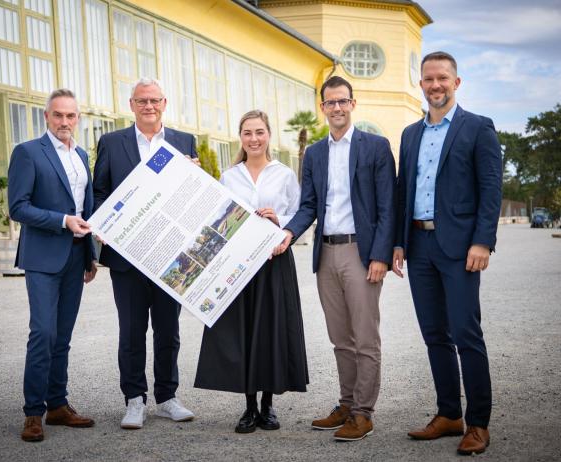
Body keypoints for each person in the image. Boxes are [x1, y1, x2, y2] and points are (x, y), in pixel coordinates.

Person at [392, 51, 502, 456]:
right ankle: (448, 413)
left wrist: (482, 241)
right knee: (434, 334)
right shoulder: (410, 134)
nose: (435, 85)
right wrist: (399, 242)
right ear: (420, 85)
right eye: (427, 79)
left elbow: (491, 189)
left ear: (456, 83)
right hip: (419, 245)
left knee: (466, 333)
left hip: (459, 247)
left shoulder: (478, 128)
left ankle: (477, 424)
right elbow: (404, 191)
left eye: (442, 78)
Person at [276, 76, 396, 441]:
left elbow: (388, 205)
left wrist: (380, 255)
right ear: (323, 107)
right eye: (331, 102)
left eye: (343, 101)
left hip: (362, 253)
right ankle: (346, 404)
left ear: (353, 104)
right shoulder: (314, 153)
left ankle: (363, 413)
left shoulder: (375, 147)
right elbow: (308, 205)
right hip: (325, 253)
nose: (337, 108)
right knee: (340, 337)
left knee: (365, 337)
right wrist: (287, 231)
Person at [194, 110, 308, 433]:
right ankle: (248, 407)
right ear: (240, 137)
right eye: (247, 133)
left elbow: (299, 215)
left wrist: (279, 221)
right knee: (243, 332)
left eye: (259, 132)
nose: (254, 139)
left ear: (269, 135)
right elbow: (217, 219)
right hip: (238, 263)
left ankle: (268, 406)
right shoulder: (230, 177)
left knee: (270, 331)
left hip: (274, 260)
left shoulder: (284, 174)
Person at [93, 78, 196, 429]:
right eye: (141, 101)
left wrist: (196, 177)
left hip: (170, 253)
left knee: (168, 331)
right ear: (131, 104)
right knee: (132, 331)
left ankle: (167, 397)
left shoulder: (184, 142)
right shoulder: (111, 143)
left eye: (154, 100)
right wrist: (102, 225)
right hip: (127, 255)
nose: (148, 106)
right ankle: (134, 399)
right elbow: (99, 193)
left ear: (164, 103)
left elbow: (195, 194)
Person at [8, 88, 97, 442]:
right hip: (43, 256)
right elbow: (18, 207)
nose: (64, 121)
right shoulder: (28, 152)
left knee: (62, 336)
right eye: (58, 115)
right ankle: (33, 412)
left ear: (78, 119)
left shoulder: (82, 155)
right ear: (46, 116)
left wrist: (89, 255)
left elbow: (85, 209)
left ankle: (58, 405)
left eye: (70, 116)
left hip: (76, 256)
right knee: (43, 333)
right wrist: (62, 220)